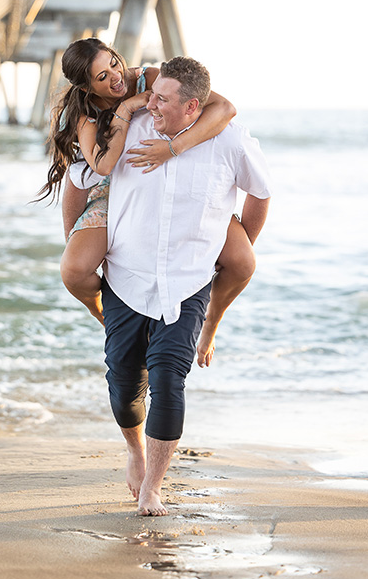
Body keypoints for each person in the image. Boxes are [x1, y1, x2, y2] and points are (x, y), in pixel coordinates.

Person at [72, 56, 271, 516]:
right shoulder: (126, 126)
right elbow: (79, 182)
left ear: (192, 107)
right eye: (152, 93)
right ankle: (135, 452)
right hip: (126, 276)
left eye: (162, 99)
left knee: (168, 379)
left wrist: (230, 245)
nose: (149, 103)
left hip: (189, 281)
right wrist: (75, 239)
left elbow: (260, 191)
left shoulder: (229, 140)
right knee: (124, 385)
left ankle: (153, 487)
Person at [40, 38, 256, 361]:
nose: (115, 77)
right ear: (87, 89)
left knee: (243, 261)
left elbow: (224, 109)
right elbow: (100, 167)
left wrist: (173, 148)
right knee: (73, 269)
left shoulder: (148, 78)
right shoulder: (85, 114)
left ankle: (209, 323)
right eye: (102, 77)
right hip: (109, 191)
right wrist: (126, 108)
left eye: (113, 62)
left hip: (164, 184)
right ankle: (104, 315)